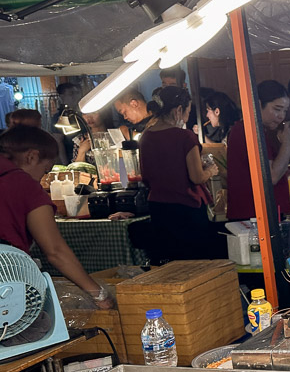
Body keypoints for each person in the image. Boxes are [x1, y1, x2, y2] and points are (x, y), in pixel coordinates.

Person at [0, 126, 112, 307]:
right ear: (32, 156)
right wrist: (99, 295)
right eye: (45, 170)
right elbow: (55, 251)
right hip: (6, 287)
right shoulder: (24, 185)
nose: (43, 180)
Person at [139, 87, 221, 259]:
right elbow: (196, 177)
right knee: (196, 262)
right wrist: (210, 170)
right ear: (178, 110)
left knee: (172, 263)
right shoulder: (185, 137)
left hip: (159, 209)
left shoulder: (145, 136)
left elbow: (145, 177)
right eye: (187, 112)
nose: (186, 118)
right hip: (186, 209)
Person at [227, 80, 290, 221]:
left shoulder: (259, 130)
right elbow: (272, 177)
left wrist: (287, 171)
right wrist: (287, 143)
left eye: (284, 111)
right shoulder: (250, 131)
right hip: (254, 216)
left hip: (263, 214)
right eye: (277, 109)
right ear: (257, 104)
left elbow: (265, 174)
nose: (281, 116)